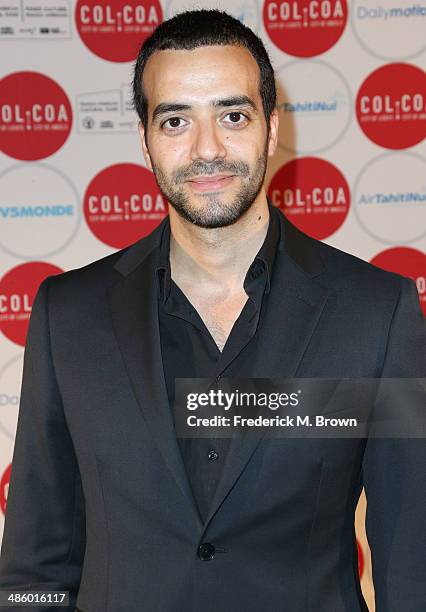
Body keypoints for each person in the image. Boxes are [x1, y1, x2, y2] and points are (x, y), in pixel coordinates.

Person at [0, 9, 425, 612]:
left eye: (232, 115)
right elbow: (34, 564)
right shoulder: (67, 315)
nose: (207, 149)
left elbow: (413, 559)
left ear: (272, 130)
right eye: (176, 120)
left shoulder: (376, 313)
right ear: (144, 140)